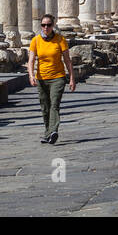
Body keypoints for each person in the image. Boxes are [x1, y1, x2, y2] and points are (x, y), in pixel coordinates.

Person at [27, 13, 75, 144]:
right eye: (43, 25)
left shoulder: (60, 40)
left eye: (48, 25)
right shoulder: (35, 41)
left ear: (53, 26)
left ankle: (54, 130)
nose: (46, 27)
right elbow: (31, 61)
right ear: (41, 26)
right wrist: (31, 75)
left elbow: (67, 60)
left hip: (58, 77)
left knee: (54, 104)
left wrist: (71, 78)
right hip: (42, 78)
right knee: (45, 106)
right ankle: (47, 133)